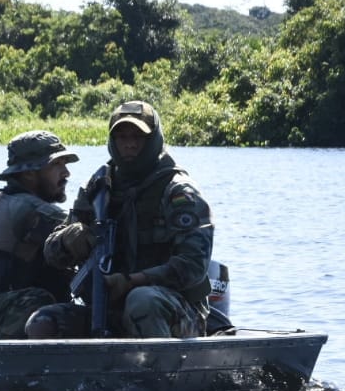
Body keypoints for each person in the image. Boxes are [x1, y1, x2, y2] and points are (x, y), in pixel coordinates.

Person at [25, 100, 213, 339]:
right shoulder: (99, 187)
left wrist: (132, 281)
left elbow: (194, 265)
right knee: (43, 322)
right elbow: (52, 254)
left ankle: (160, 375)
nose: (130, 144)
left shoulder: (178, 191)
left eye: (138, 137)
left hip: (177, 312)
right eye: (122, 137)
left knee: (142, 300)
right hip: (109, 309)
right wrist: (68, 239)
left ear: (153, 139)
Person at [0, 130, 78, 339]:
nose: (66, 173)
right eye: (56, 164)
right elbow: (81, 231)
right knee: (39, 301)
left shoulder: (1, 199)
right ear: (29, 173)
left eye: (65, 164)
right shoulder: (28, 208)